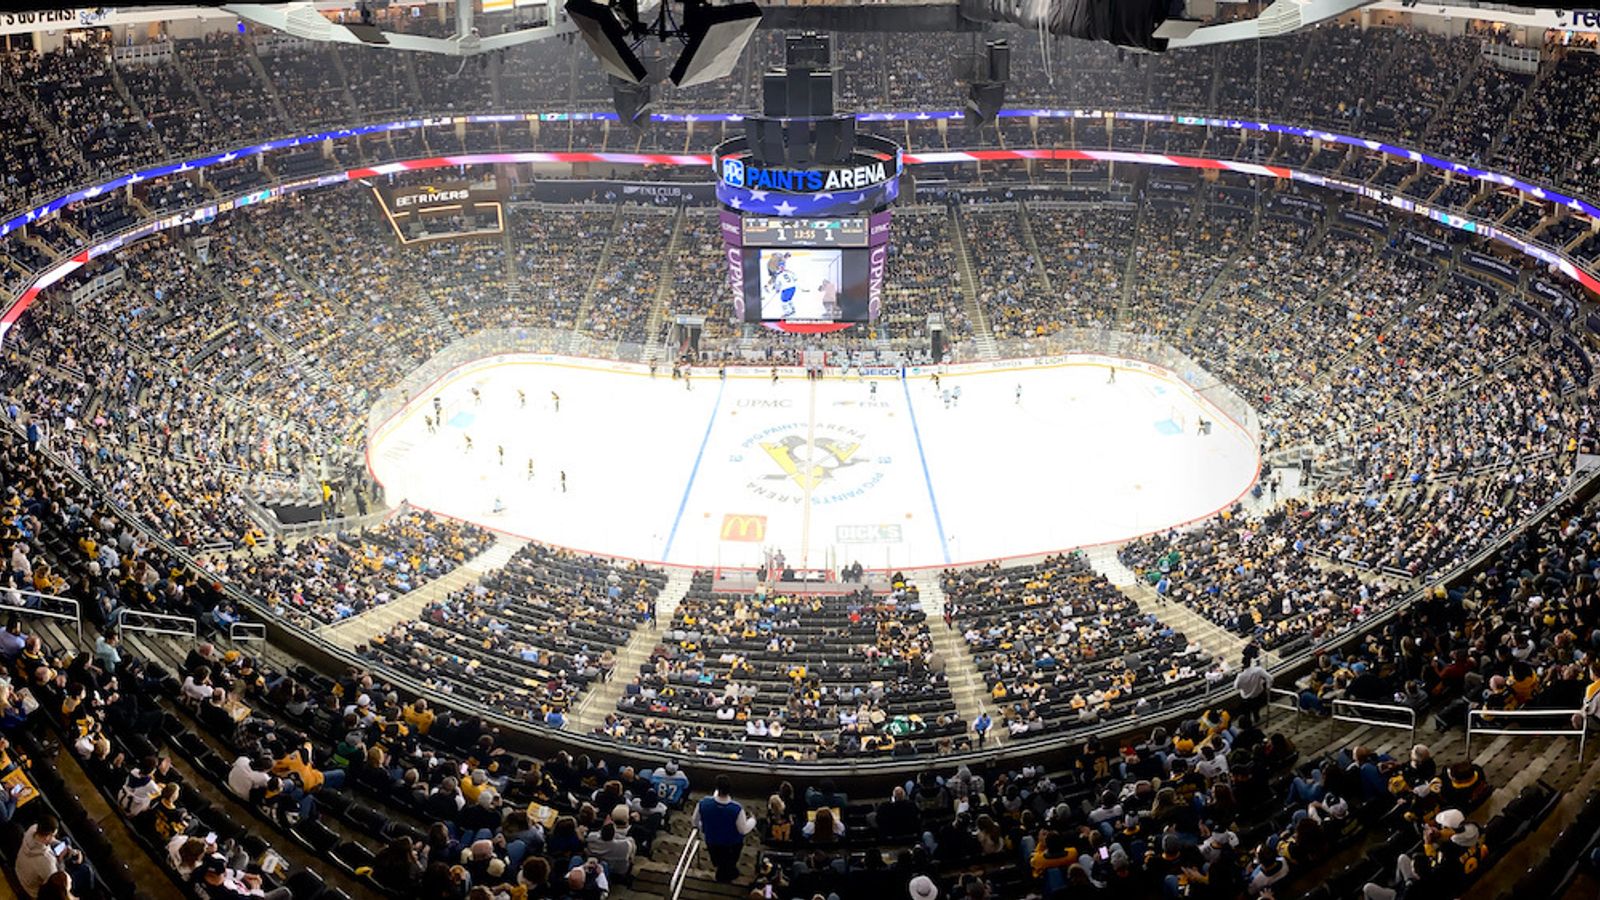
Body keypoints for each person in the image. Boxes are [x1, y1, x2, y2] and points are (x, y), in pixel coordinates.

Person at [693, 774, 754, 882]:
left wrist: (706, 827)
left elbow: (695, 822)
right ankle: (726, 877)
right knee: (726, 865)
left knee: (722, 864)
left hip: (712, 842)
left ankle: (725, 876)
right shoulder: (736, 809)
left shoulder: (703, 803)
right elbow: (743, 830)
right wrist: (753, 820)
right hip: (732, 846)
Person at [1235, 656, 1273, 729]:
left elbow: (1236, 687)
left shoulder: (1240, 676)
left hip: (1246, 698)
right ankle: (1257, 720)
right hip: (1258, 695)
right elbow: (1270, 678)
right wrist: (1268, 687)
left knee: (1247, 713)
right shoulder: (1258, 670)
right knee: (1256, 710)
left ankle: (1249, 726)